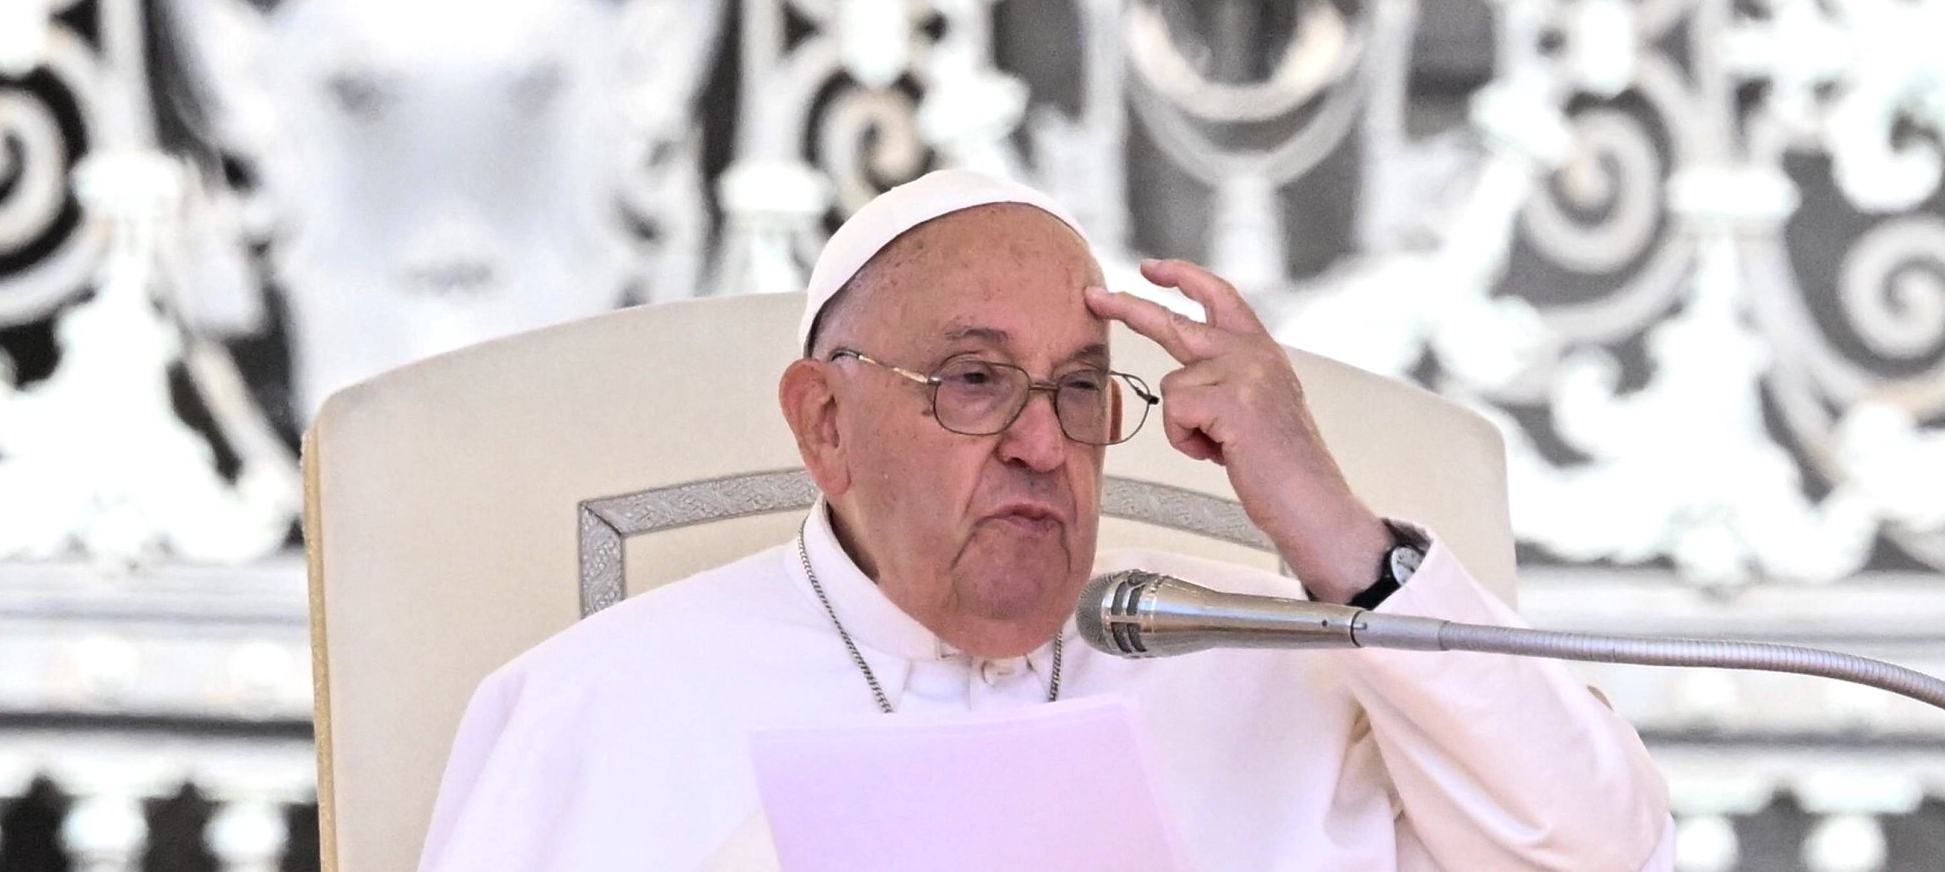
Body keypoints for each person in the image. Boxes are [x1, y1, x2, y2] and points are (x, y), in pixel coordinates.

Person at [419, 169, 1674, 870]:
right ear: (823, 424)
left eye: (1077, 388)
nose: (1038, 438)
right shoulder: (594, 706)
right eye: (972, 380)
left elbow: (1607, 857)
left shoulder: (1280, 663)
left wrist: (1330, 529)